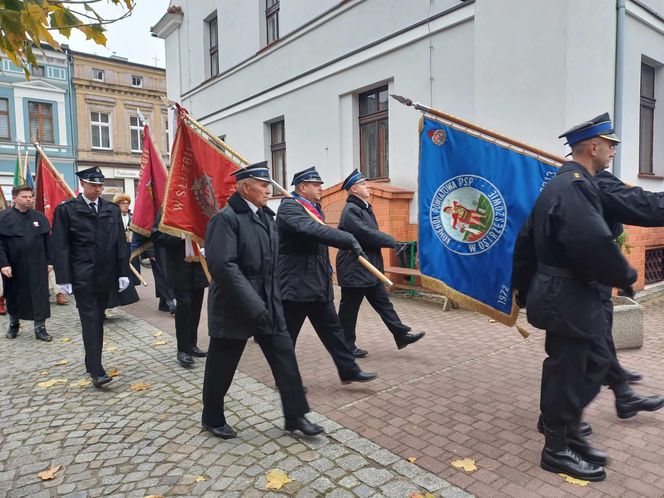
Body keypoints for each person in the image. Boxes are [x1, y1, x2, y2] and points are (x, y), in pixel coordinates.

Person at [513, 113, 637, 481]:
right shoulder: (574, 186)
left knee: (590, 364)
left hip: (566, 295)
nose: (613, 151)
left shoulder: (567, 183)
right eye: (610, 145)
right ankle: (556, 449)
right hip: (566, 295)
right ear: (593, 146)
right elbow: (593, 243)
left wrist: (522, 285)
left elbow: (525, 241)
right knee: (567, 372)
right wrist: (626, 275)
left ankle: (568, 430)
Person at [203, 161, 323, 439]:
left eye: (268, 185)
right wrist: (254, 304)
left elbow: (273, 263)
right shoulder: (226, 218)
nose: (268, 190)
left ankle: (295, 416)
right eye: (262, 185)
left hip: (268, 301)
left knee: (285, 358)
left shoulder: (267, 217)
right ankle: (211, 416)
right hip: (234, 305)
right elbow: (224, 267)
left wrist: (274, 298)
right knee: (222, 365)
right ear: (245, 188)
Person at [276, 166, 377, 385]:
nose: (321, 187)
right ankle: (285, 380)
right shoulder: (289, 208)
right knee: (287, 338)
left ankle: (348, 370)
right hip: (296, 285)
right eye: (316, 184)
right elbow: (311, 230)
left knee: (334, 332)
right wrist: (346, 239)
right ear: (302, 187)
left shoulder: (313, 207)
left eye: (320, 183)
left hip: (318, 284)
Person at [51, 166, 131, 388]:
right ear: (82, 185)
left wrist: (123, 272)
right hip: (82, 275)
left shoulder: (110, 209)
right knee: (91, 320)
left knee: (98, 319)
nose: (98, 189)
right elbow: (60, 246)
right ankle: (97, 370)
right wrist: (63, 277)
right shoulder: (67, 210)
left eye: (100, 185)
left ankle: (91, 362)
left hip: (106, 275)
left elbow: (119, 243)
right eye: (93, 185)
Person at [336, 169, 425, 357]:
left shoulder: (363, 207)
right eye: (362, 184)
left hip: (369, 268)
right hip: (355, 268)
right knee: (349, 310)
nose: (367, 186)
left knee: (384, 303)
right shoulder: (351, 210)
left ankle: (401, 335)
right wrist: (393, 242)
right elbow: (365, 234)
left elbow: (370, 234)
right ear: (353, 189)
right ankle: (345, 347)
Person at [152, 216, 208, 367]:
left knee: (196, 307)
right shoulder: (169, 206)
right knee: (184, 306)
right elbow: (157, 235)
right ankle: (183, 350)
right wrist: (181, 235)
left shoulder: (199, 206)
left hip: (198, 266)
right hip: (179, 266)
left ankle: (192, 345)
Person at [0, 185, 52, 341]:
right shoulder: (3, 218)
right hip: (14, 265)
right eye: (25, 196)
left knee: (39, 296)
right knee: (14, 295)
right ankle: (14, 324)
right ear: (15, 198)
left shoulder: (39, 217)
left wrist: (50, 262)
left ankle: (40, 328)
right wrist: (3, 264)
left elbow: (47, 242)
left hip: (37, 264)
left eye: (31, 196)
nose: (29, 199)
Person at [105, 193, 140, 312]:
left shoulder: (132, 217)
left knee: (131, 273)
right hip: (116, 249)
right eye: (122, 203)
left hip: (131, 247)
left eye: (127, 203)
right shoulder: (112, 217)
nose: (126, 206)